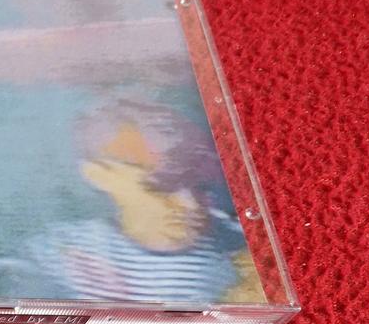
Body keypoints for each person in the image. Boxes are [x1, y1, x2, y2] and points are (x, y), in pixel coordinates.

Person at [29, 100, 261, 304]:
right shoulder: (60, 248)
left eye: (201, 188)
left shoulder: (240, 248)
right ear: (99, 175)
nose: (191, 205)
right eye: (162, 189)